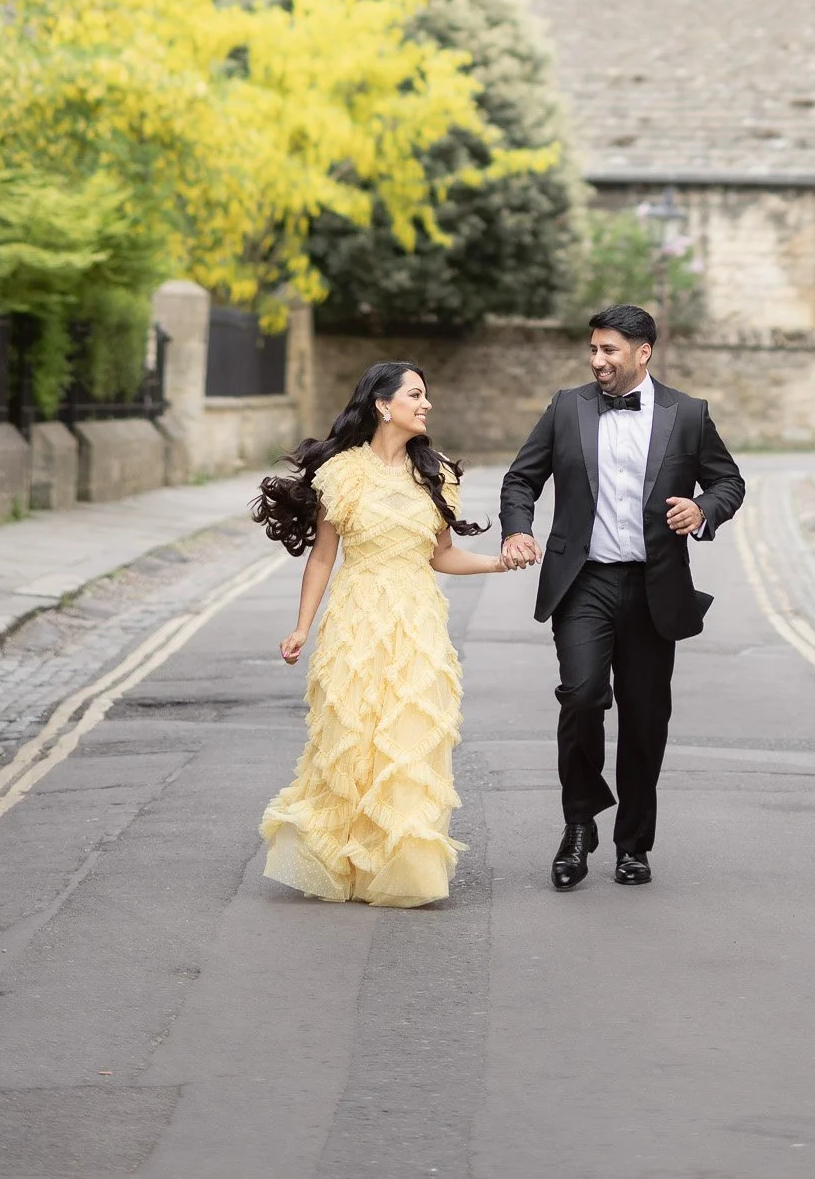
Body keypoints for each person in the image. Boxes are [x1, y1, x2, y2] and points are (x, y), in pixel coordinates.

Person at [252, 360, 525, 907]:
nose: (426, 405)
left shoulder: (437, 473)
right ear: (383, 404)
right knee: (350, 737)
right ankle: (342, 862)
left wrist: (499, 563)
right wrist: (302, 626)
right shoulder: (342, 473)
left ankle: (403, 868)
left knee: (406, 738)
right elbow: (323, 557)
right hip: (355, 620)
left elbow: (442, 556)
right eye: (416, 395)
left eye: (426, 396)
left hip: (418, 623)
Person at [498, 303, 745, 888]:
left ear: (643, 353)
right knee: (581, 696)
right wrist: (517, 528)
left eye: (609, 350)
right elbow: (521, 478)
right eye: (593, 350)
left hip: (654, 586)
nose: (597, 360)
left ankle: (634, 844)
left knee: (645, 720)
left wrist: (703, 508)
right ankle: (579, 824)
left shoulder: (688, 413)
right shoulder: (566, 408)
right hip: (584, 582)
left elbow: (728, 480)